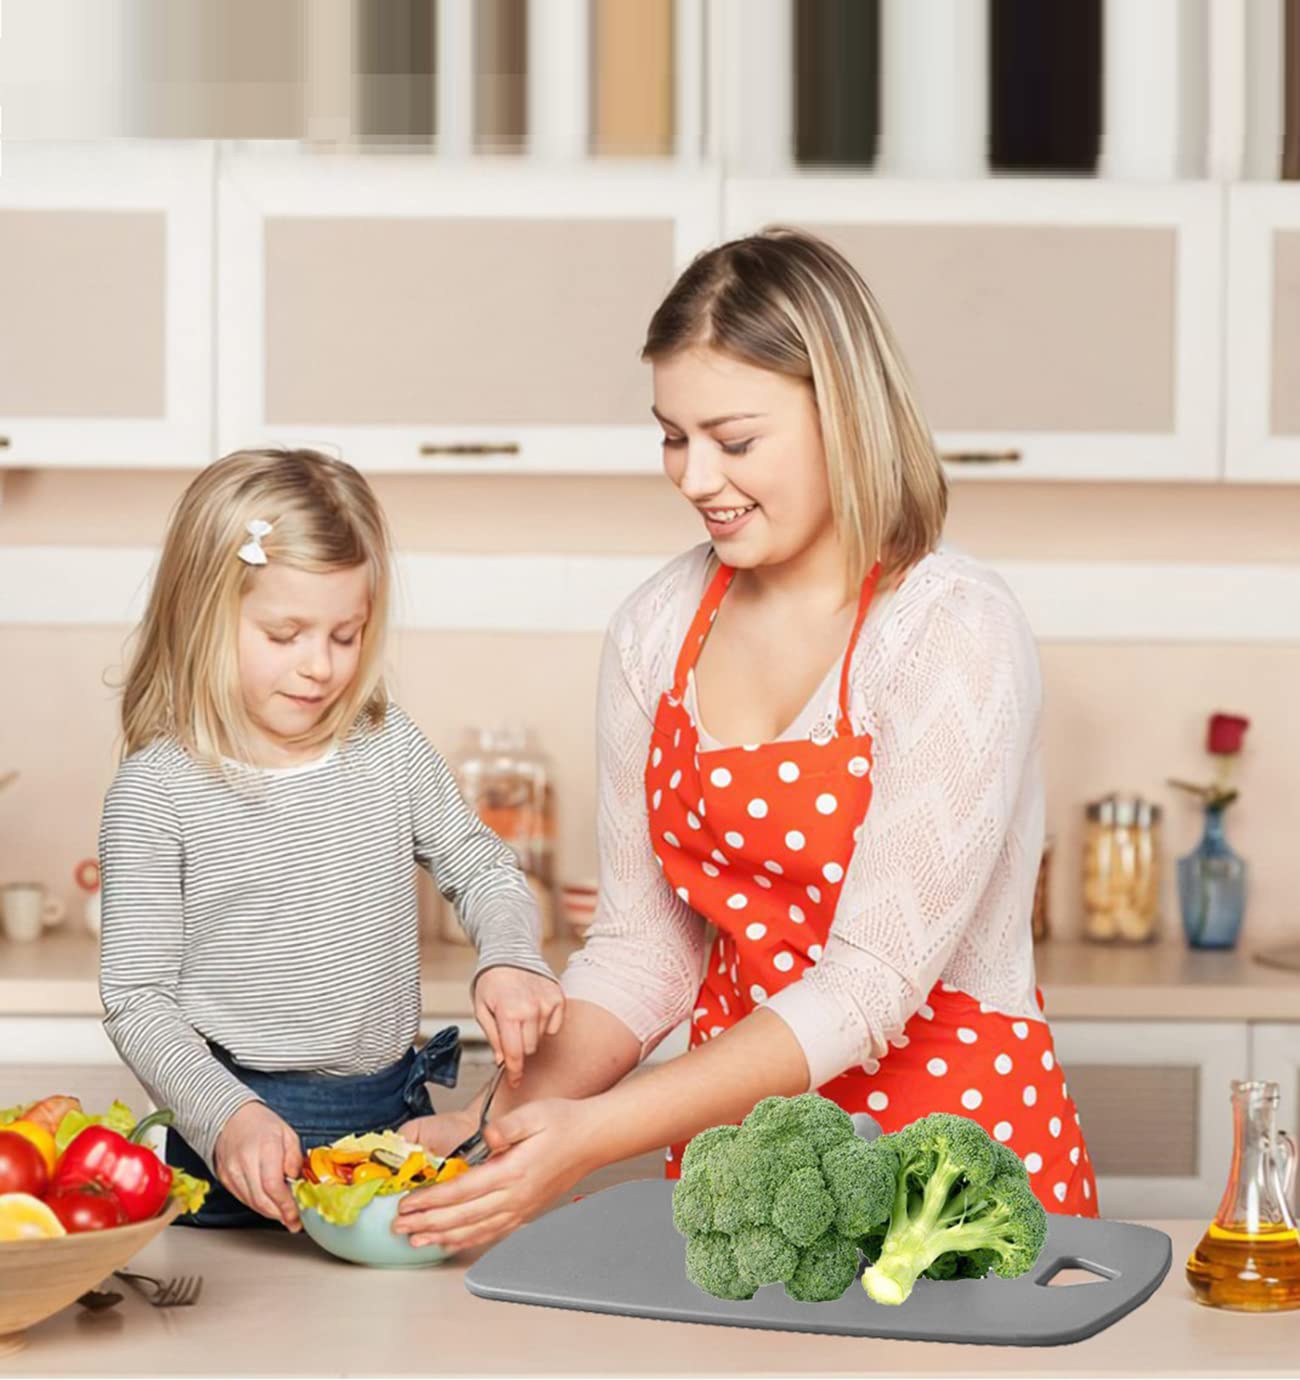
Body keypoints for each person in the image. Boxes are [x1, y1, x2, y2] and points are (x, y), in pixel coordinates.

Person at [394, 229, 1097, 1256]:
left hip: (956, 1165)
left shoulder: (950, 628)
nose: (693, 475)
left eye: (732, 438)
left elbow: (869, 986)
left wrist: (591, 1137)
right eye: (671, 435)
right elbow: (644, 950)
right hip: (748, 1178)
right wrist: (491, 1126)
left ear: (843, 416)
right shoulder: (655, 628)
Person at [98, 448, 563, 1230]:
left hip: (388, 1138)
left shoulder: (385, 746)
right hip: (226, 1152)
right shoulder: (156, 791)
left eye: (345, 636)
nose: (321, 668)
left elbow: (482, 867)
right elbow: (138, 1002)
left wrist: (512, 956)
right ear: (202, 613)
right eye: (285, 634)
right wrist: (228, 1119)